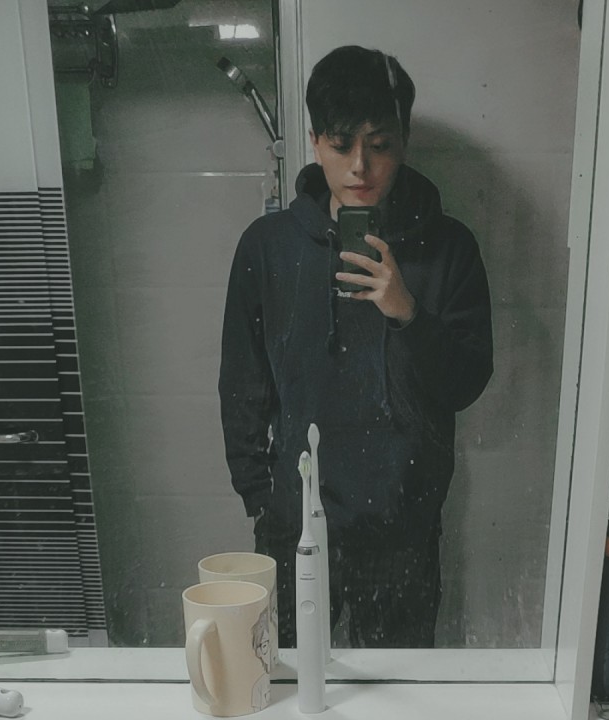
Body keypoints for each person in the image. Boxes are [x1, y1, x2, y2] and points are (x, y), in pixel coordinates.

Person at [219, 45, 493, 649]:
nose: (360, 167)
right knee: (285, 679)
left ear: (405, 141)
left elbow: (467, 382)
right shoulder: (267, 246)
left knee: (395, 688)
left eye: (380, 145)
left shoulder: (449, 247)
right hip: (294, 520)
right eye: (342, 145)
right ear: (315, 142)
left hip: (403, 525)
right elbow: (242, 382)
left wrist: (407, 313)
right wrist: (261, 497)